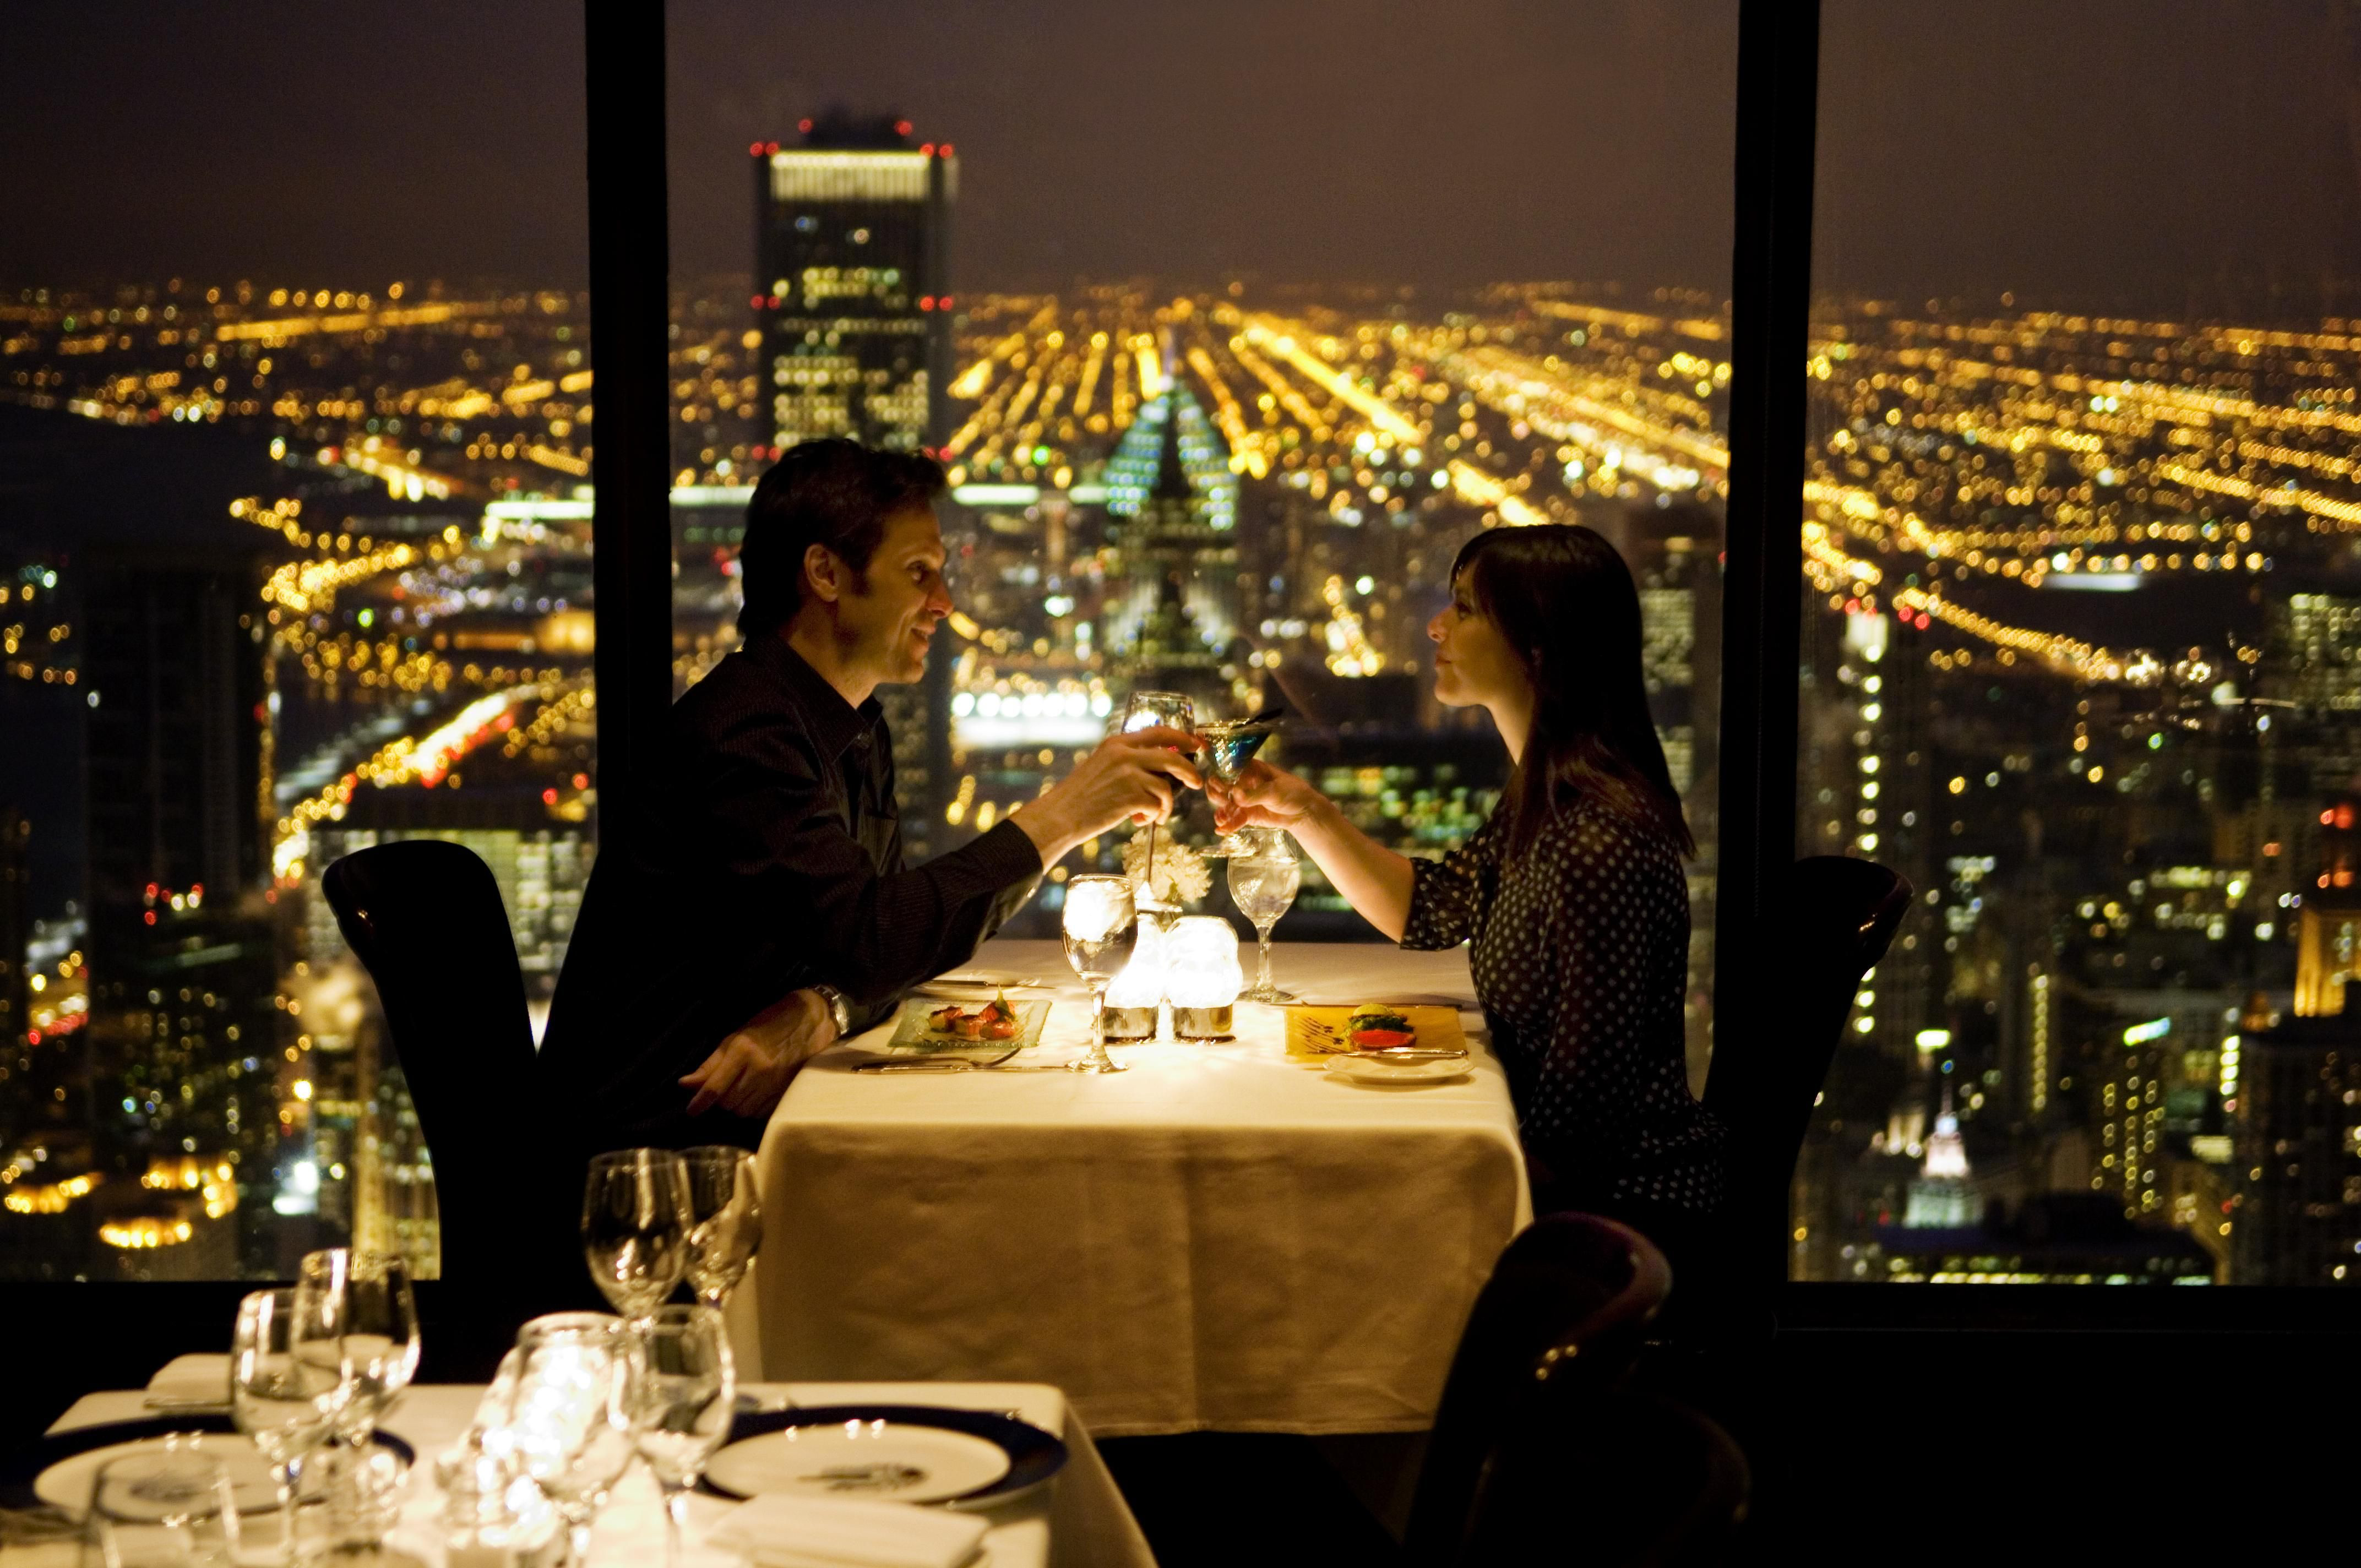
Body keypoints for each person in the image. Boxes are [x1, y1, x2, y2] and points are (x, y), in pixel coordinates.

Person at [540, 438, 1196, 1155]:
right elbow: (877, 941)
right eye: (919, 574)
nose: (943, 604)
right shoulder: (744, 733)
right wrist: (1064, 815)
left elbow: (880, 948)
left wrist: (821, 1009)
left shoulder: (852, 726)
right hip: (653, 1165)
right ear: (825, 572)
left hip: (743, 1134)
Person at [1212, 523, 1726, 1253]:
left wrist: (1417, 1190)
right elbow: (1431, 910)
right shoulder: (1546, 798)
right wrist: (1306, 813)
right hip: (1567, 1186)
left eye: (1465, 608)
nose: (1436, 625)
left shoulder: (1596, 840)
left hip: (1621, 1221)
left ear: (1536, 648)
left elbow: (1585, 1125)